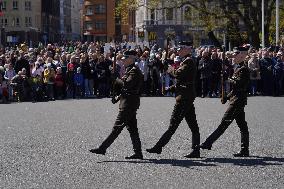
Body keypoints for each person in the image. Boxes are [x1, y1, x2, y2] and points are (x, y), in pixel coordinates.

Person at [146, 41, 200, 158]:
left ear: (187, 49)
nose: (178, 50)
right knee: (193, 125)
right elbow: (182, 82)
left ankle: (158, 147)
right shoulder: (185, 61)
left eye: (181, 48)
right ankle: (196, 150)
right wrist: (169, 88)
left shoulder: (189, 61)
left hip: (184, 98)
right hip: (186, 96)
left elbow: (178, 75)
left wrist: (169, 68)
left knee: (173, 125)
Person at [89, 50, 144, 159]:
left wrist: (116, 78)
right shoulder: (130, 70)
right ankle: (138, 153)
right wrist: (117, 97)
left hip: (129, 104)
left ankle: (102, 148)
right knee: (132, 128)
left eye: (125, 59)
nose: (123, 61)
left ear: (131, 59)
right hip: (128, 102)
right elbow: (125, 89)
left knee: (117, 127)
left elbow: (127, 85)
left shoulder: (134, 71)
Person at [199, 47, 250, 157]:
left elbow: (239, 84)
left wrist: (227, 78)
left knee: (224, 123)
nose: (233, 57)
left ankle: (208, 143)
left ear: (241, 56)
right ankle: (244, 149)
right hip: (236, 99)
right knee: (242, 125)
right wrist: (226, 97)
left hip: (237, 101)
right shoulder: (238, 68)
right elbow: (235, 89)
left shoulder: (244, 69)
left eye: (235, 55)